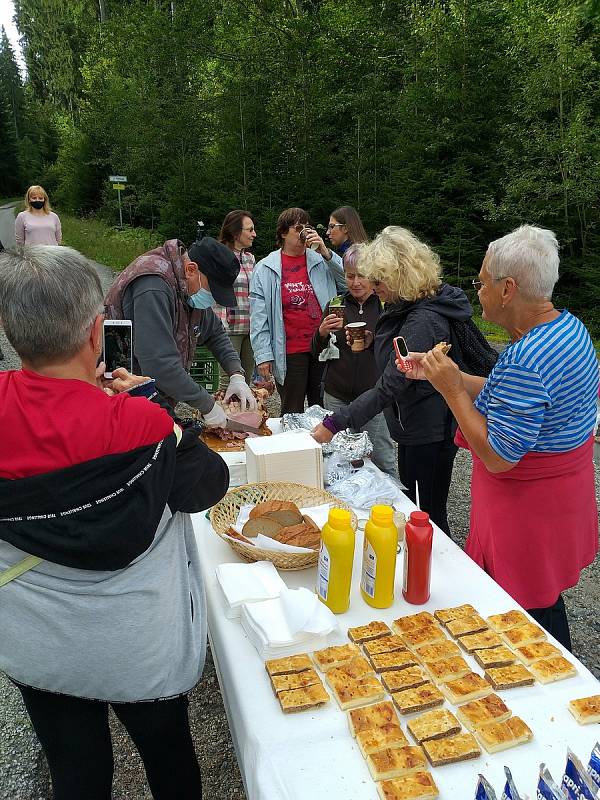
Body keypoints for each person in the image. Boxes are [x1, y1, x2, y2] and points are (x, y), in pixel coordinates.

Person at [0, 244, 230, 799]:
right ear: (95, 331)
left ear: (13, 332)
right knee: (169, 759)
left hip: (40, 646)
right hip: (137, 647)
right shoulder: (142, 424)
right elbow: (208, 484)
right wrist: (152, 409)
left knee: (76, 776)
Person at [400, 225, 598, 649]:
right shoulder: (569, 330)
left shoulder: (526, 357)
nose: (479, 290)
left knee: (524, 617)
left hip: (528, 515)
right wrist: (446, 377)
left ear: (508, 289)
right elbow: (504, 395)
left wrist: (452, 392)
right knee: (543, 600)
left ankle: (551, 689)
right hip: (562, 500)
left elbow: (497, 456)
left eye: (482, 282)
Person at [312, 226, 472, 536]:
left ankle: (435, 567)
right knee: (417, 501)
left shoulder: (423, 319)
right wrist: (375, 341)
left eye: (377, 280)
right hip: (417, 422)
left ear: (398, 276)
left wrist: (335, 423)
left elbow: (391, 384)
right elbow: (403, 353)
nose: (372, 286)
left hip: (429, 427)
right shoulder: (408, 305)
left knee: (426, 511)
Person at [105, 236, 256, 428]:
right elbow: (159, 364)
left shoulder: (186, 285)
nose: (213, 301)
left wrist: (236, 374)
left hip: (151, 401)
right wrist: (207, 405)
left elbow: (215, 333)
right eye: (212, 291)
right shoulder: (152, 285)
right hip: (123, 400)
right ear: (191, 269)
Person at [311, 244, 397, 476]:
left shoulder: (386, 308)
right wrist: (321, 333)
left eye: (362, 276)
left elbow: (395, 352)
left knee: (381, 458)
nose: (356, 282)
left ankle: (397, 506)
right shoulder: (335, 305)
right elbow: (316, 352)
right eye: (350, 276)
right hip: (336, 395)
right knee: (336, 460)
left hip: (373, 397)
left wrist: (374, 341)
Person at [250, 207, 346, 414]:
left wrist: (326, 252)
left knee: (323, 409)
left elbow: (348, 283)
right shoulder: (266, 268)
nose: (304, 233)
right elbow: (259, 317)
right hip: (289, 350)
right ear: (283, 233)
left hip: (322, 345)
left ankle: (321, 447)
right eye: (298, 228)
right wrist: (263, 354)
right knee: (292, 410)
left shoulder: (321, 261)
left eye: (307, 227)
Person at [214, 209, 257, 387]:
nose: (254, 234)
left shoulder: (250, 259)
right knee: (229, 381)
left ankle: (244, 415)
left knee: (245, 381)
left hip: (250, 328)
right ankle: (224, 415)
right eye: (250, 230)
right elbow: (216, 291)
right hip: (229, 328)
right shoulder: (219, 255)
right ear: (235, 232)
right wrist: (220, 326)